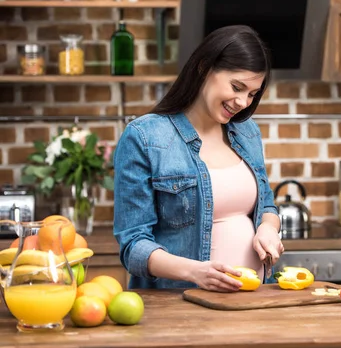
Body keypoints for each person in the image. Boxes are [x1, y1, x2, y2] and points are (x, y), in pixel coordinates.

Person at [113, 25, 284, 291]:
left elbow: (268, 206)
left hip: (255, 301)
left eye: (252, 94)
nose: (243, 102)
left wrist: (268, 229)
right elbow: (133, 246)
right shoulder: (146, 136)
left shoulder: (247, 132)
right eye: (237, 87)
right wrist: (195, 272)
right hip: (183, 302)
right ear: (204, 68)